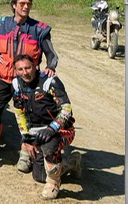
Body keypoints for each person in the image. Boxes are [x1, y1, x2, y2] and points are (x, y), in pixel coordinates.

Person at [0, 0, 59, 159]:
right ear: (14, 5)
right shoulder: (1, 24)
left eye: (28, 3)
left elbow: (51, 53)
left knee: (31, 116)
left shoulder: (39, 29)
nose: (26, 6)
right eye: (22, 3)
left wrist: (51, 66)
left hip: (28, 81)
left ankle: (26, 152)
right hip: (4, 78)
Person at [11, 54, 81, 200]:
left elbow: (66, 109)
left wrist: (52, 128)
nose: (25, 72)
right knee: (39, 176)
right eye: (20, 69)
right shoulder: (16, 84)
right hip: (37, 132)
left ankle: (54, 183)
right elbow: (19, 113)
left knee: (50, 146)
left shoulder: (50, 81)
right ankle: (71, 163)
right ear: (16, 70)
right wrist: (26, 138)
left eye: (28, 67)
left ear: (36, 66)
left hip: (62, 130)